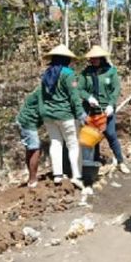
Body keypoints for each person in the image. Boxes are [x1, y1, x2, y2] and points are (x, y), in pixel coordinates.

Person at [39, 44, 85, 190]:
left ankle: (57, 175)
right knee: (73, 144)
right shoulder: (68, 73)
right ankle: (76, 175)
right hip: (65, 115)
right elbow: (74, 96)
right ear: (66, 59)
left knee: (56, 142)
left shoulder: (46, 73)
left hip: (49, 116)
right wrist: (81, 113)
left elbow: (43, 96)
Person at [78, 45, 129, 174]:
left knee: (110, 134)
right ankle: (94, 162)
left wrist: (111, 104)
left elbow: (116, 89)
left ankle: (121, 161)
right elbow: (79, 89)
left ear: (101, 58)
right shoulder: (86, 73)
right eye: (91, 58)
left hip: (106, 109)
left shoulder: (110, 72)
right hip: (91, 110)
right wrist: (88, 97)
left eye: (96, 58)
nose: (93, 60)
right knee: (93, 136)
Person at [17, 88, 43, 188]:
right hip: (27, 123)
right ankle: (32, 179)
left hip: (25, 121)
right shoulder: (43, 93)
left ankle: (31, 177)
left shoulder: (41, 90)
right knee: (35, 149)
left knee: (31, 149)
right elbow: (44, 111)